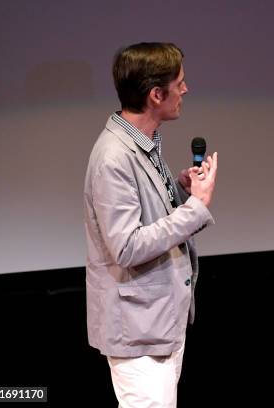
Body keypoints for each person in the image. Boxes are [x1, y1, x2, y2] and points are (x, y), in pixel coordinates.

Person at [83, 42, 218, 407]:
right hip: (137, 331)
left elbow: (144, 216)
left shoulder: (141, 143)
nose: (185, 89)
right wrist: (196, 206)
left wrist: (178, 190)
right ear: (156, 94)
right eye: (180, 83)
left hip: (156, 323)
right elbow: (126, 246)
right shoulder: (114, 156)